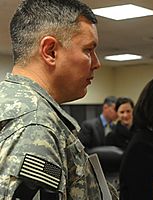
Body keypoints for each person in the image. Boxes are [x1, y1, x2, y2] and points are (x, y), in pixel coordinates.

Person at [0, 0, 118, 199]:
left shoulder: (10, 103)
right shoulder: (36, 126)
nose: (97, 63)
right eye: (88, 50)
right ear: (50, 51)